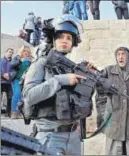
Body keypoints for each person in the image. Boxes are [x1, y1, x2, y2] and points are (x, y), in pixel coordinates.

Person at [22, 14, 88, 155]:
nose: (64, 41)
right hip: (50, 137)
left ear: (73, 43)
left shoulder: (72, 68)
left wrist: (89, 77)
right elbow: (28, 96)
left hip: (74, 137)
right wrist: (59, 80)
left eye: (69, 38)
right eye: (60, 37)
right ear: (53, 39)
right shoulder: (41, 63)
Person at [96, 46, 129, 155]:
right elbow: (100, 95)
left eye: (123, 54)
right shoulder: (108, 71)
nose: (120, 57)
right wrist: (103, 113)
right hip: (114, 118)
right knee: (115, 148)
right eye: (118, 54)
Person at [10, 46, 32, 119]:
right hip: (16, 79)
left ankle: (19, 112)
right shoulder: (17, 58)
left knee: (22, 97)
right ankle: (14, 112)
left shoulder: (29, 60)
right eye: (24, 51)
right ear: (21, 51)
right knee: (17, 94)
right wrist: (20, 61)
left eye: (28, 51)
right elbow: (11, 65)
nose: (26, 52)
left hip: (25, 81)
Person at [1, 48, 14, 117]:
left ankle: (8, 113)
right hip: (1, 81)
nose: (10, 53)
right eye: (9, 52)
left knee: (10, 97)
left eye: (12, 52)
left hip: (8, 82)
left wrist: (9, 75)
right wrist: (3, 74)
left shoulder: (13, 62)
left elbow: (14, 72)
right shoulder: (1, 60)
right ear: (6, 52)